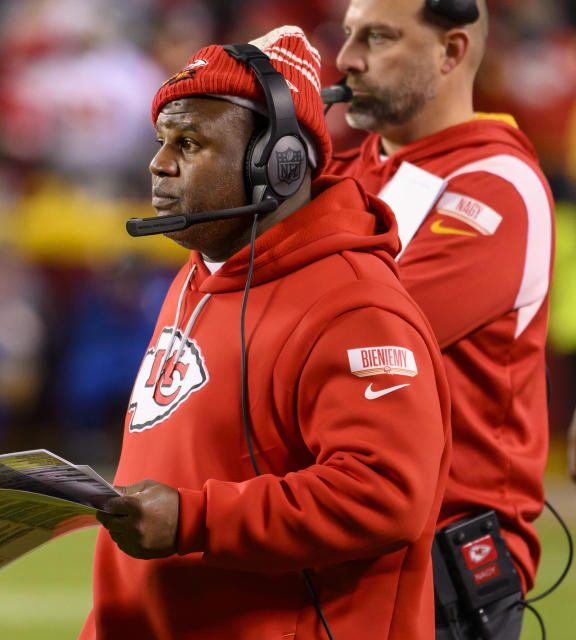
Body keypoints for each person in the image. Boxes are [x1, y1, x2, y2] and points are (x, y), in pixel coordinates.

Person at [81, 26, 451, 639]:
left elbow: (387, 492)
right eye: (161, 140)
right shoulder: (200, 273)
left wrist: (194, 520)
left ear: (276, 164)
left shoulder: (356, 305)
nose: (159, 163)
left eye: (190, 142)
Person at [328, 1, 555, 637]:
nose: (347, 59)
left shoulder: (497, 185)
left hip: (445, 572)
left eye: (377, 36)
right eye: (348, 35)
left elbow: (358, 339)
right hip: (341, 547)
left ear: (451, 51)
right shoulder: (345, 174)